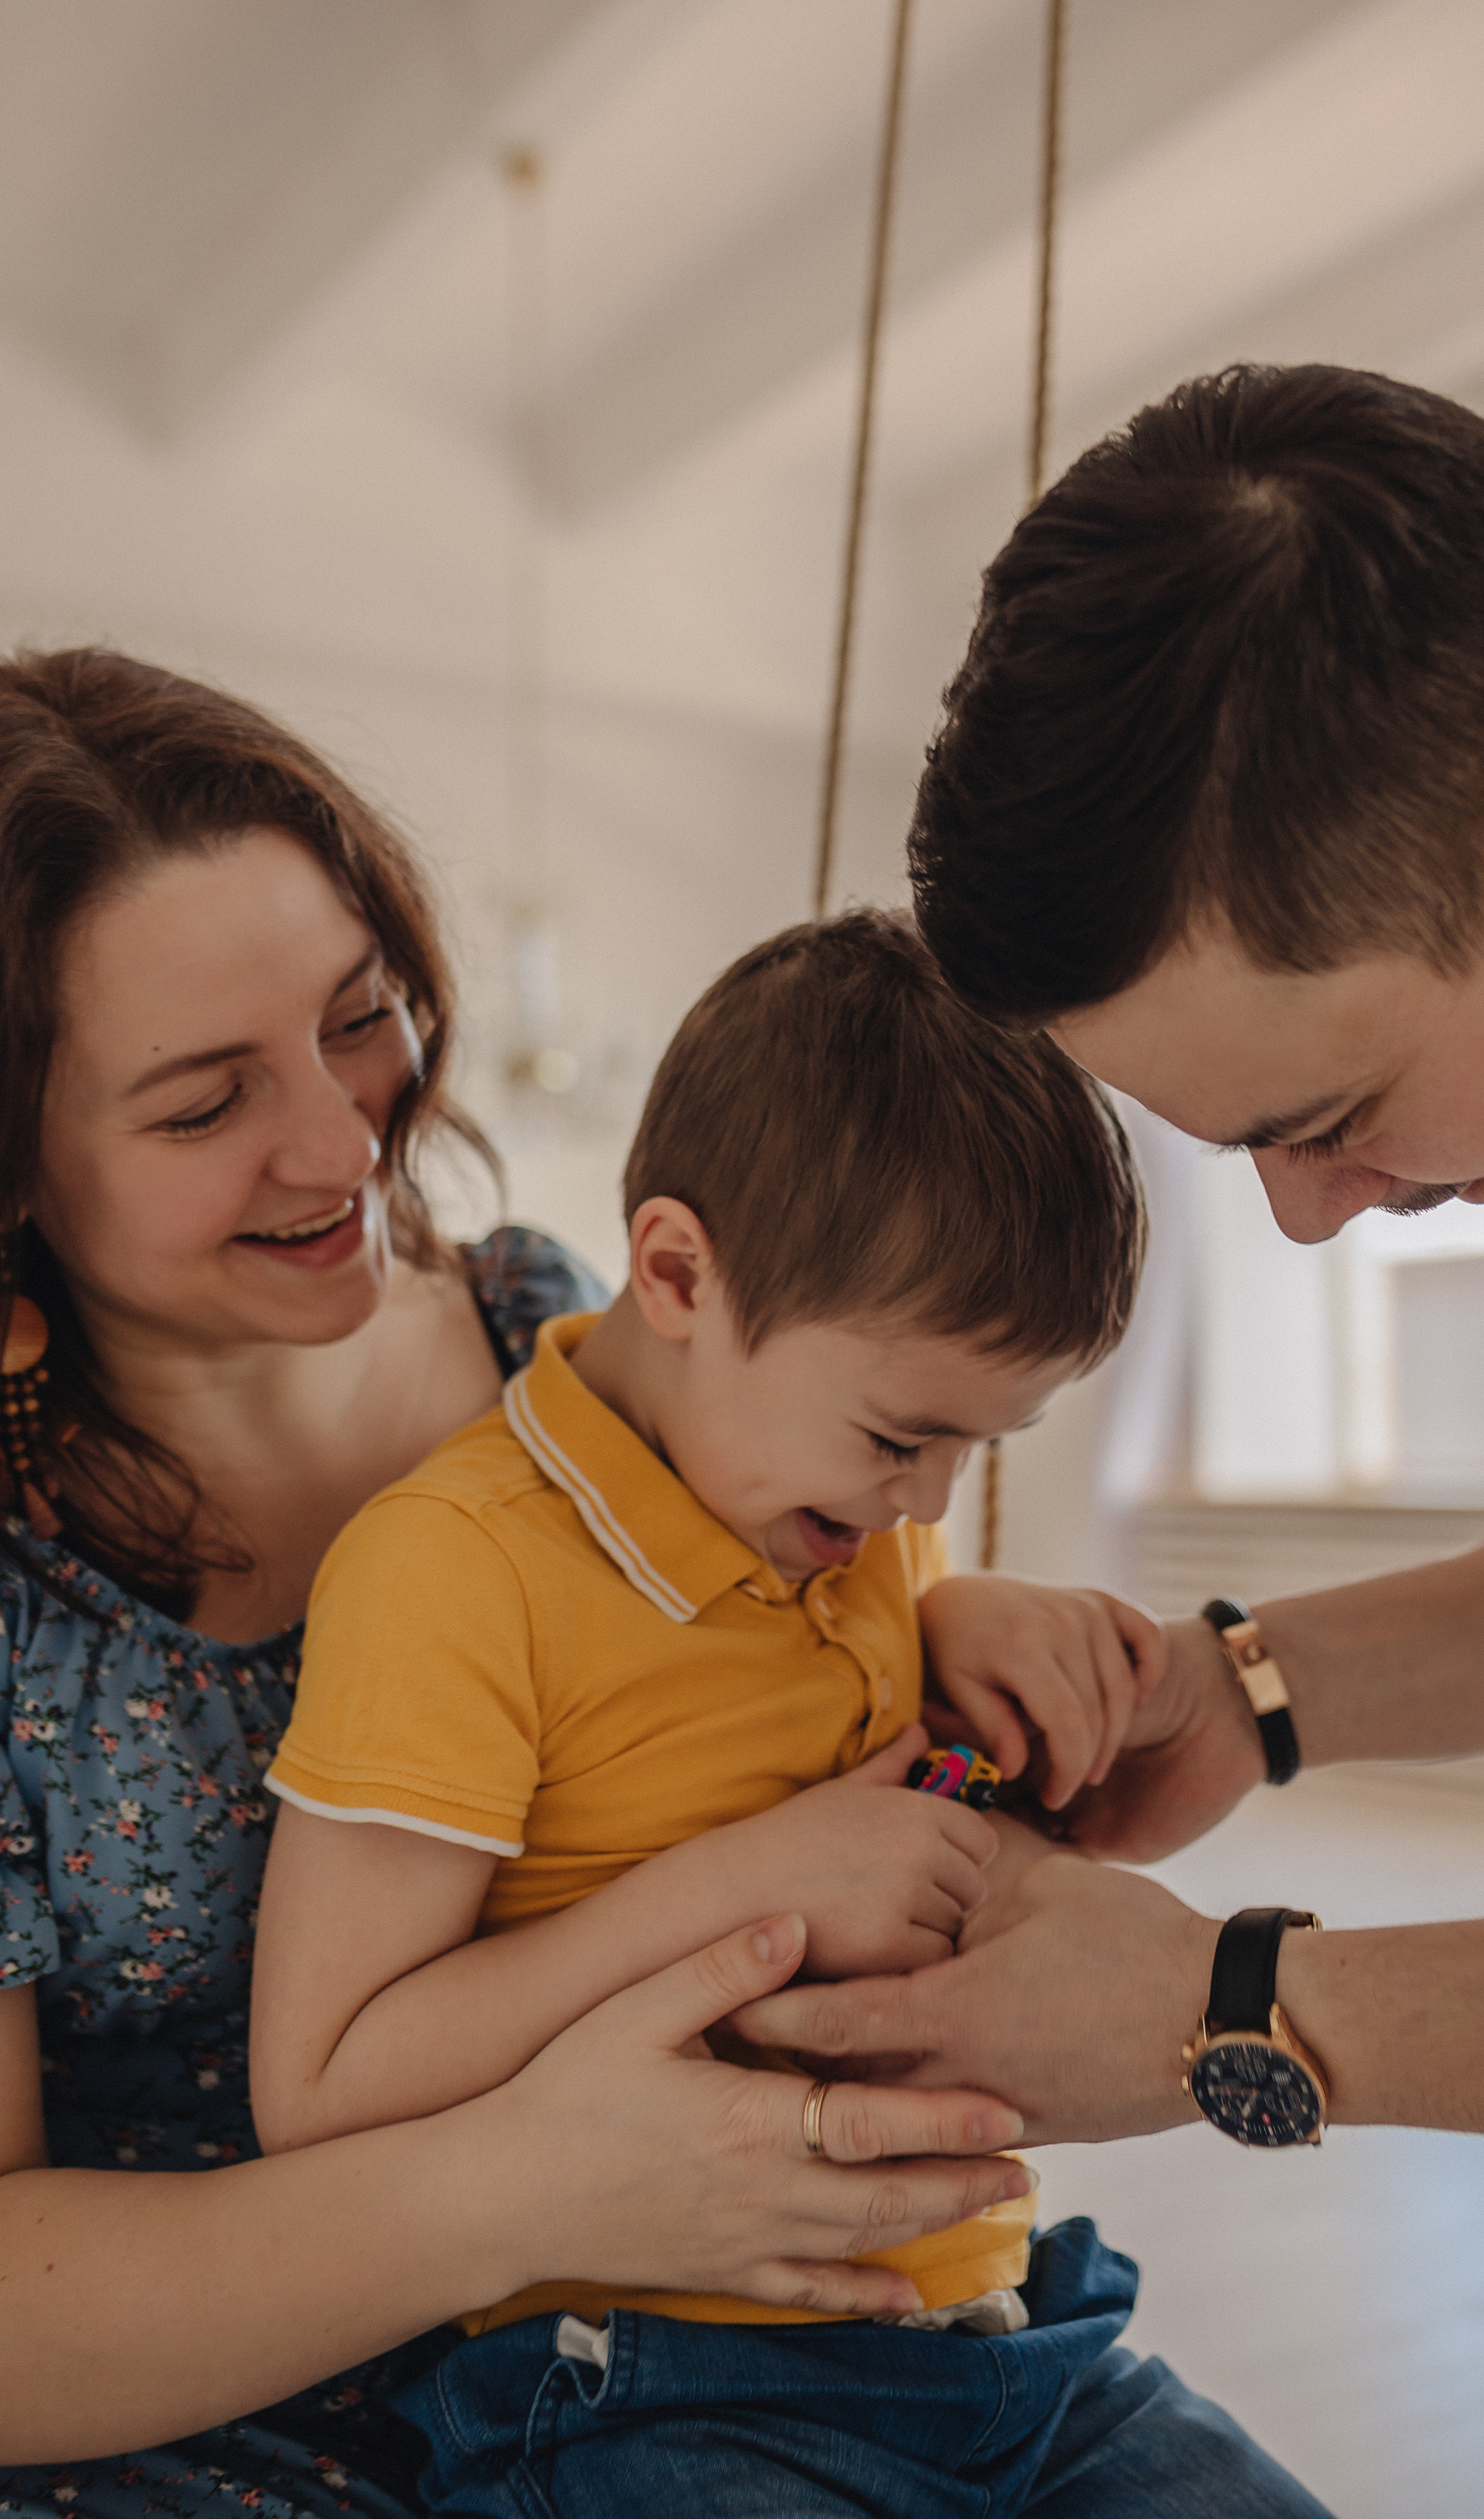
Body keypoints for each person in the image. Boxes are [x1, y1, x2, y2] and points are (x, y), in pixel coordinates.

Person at [0, 655, 1035, 2508]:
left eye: (361, 1017)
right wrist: (520, 2197)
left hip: (733, 2327)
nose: (344, 1143)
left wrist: (950, 1632)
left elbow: (746, 1697)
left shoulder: (546, 1329)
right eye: (201, 1106)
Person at [736, 364, 1484, 2161]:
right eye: (1245, 1150)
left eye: (1334, 1114)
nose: (1309, 1214)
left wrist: (1230, 2009)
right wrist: (1242, 1693)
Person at [250, 909, 1335, 2519]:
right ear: (677, 1272)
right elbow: (326, 2085)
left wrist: (960, 1645)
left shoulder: (836, 1513)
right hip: (644, 2379)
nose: (928, 1502)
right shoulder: (452, 1569)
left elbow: (838, 1765)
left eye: (980, 1446)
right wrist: (751, 1884)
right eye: (901, 1440)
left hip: (1003, 2333)